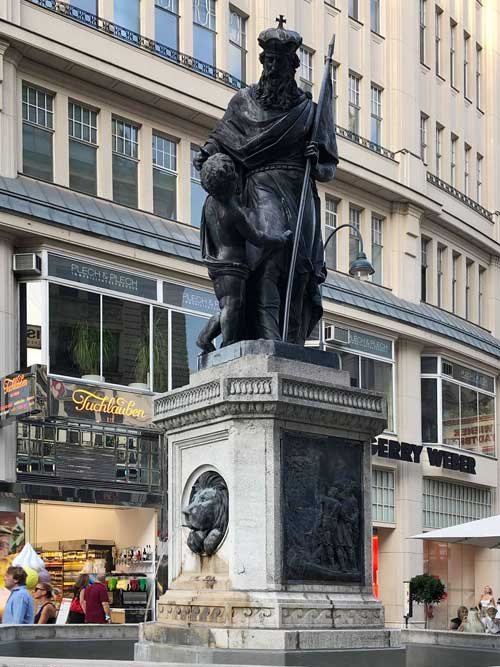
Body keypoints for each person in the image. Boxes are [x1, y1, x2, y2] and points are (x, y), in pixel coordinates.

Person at [193, 18, 338, 346]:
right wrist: (205, 154)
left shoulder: (309, 112)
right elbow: (220, 138)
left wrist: (316, 159)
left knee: (299, 270)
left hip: (300, 191)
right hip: (260, 187)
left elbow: (328, 170)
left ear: (292, 67)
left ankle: (291, 341)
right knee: (269, 257)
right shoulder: (243, 102)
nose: (272, 68)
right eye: (268, 61)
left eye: (280, 63)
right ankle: (271, 340)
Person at [196, 152, 292, 351]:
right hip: (233, 265)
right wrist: (280, 239)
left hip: (217, 262)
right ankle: (227, 344)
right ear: (230, 182)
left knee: (227, 305)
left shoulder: (209, 203)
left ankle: (206, 337)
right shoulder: (233, 211)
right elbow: (257, 237)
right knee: (233, 306)